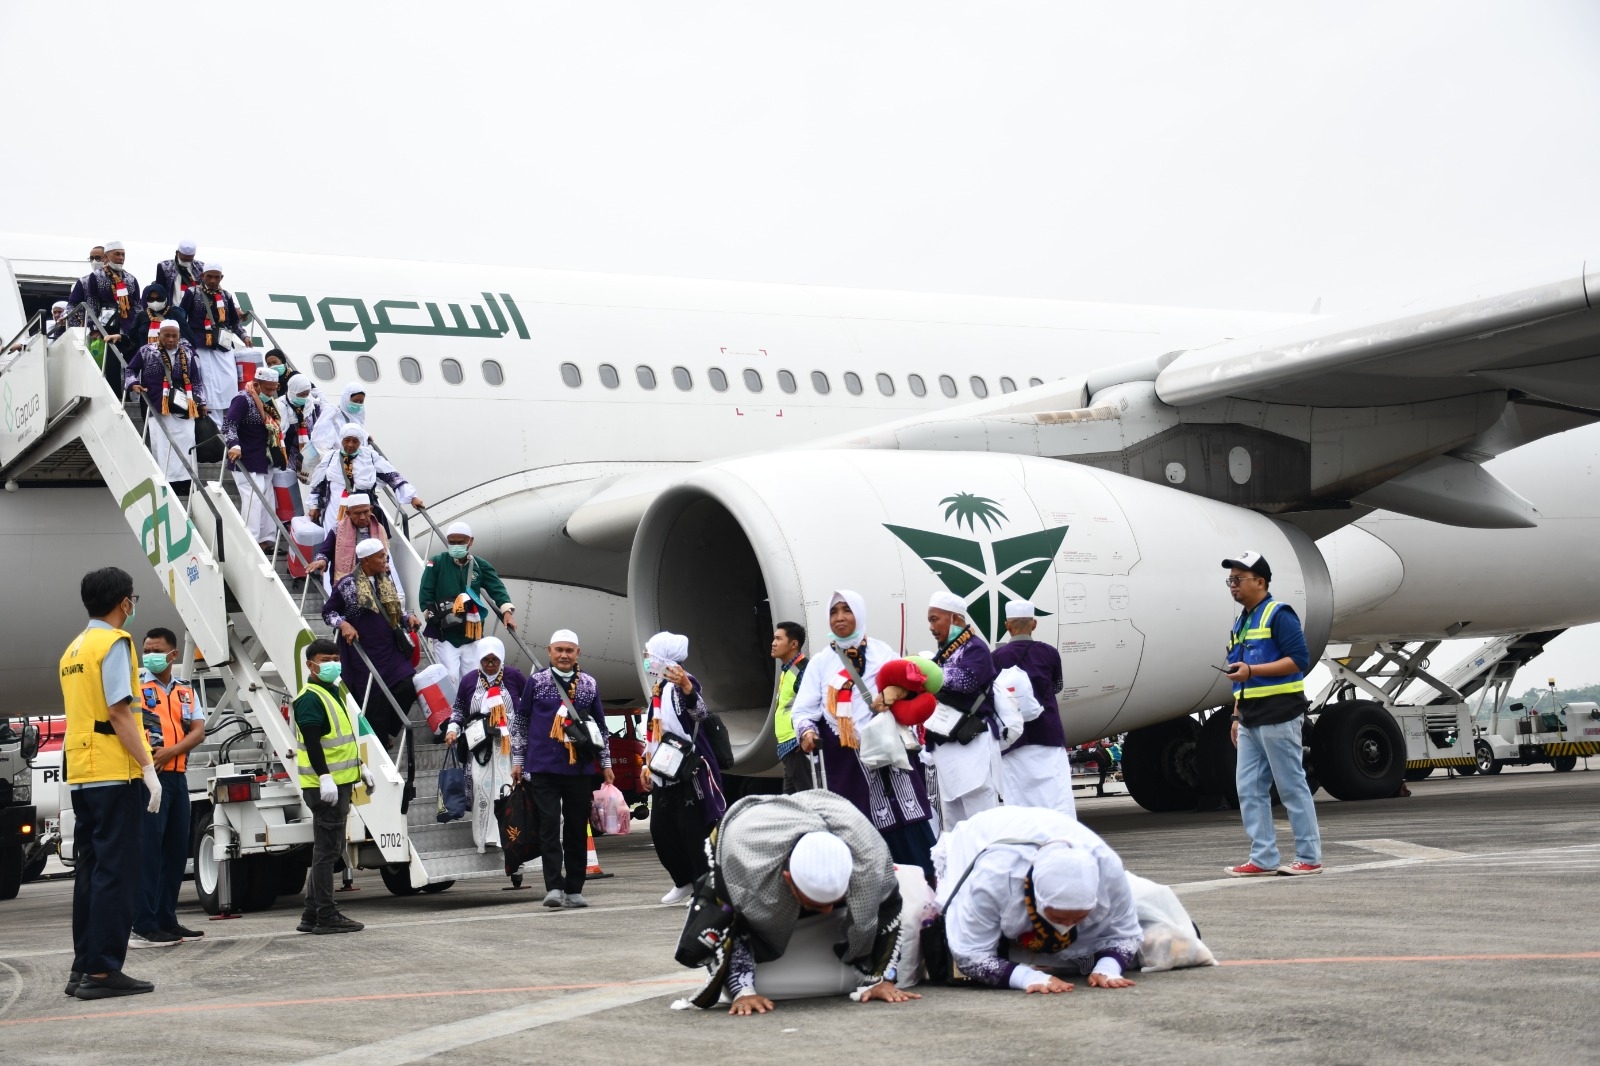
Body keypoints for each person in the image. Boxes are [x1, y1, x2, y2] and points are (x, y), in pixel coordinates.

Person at [686, 791, 925, 1015]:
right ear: (788, 879)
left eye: (834, 901)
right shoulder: (743, 865)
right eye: (817, 904)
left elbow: (888, 908)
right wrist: (743, 991)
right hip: (754, 831)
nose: (828, 911)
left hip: (835, 815)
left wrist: (883, 978)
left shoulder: (869, 858)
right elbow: (732, 924)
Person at [60, 567, 161, 1000]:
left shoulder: (74, 648)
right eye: (132, 598)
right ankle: (102, 972)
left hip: (83, 773)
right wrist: (148, 768)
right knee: (117, 874)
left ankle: (83, 966)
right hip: (114, 771)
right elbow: (120, 712)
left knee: (91, 872)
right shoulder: (115, 643)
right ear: (124, 602)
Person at [793, 590, 937, 881]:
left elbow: (914, 684)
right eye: (834, 612)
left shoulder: (883, 653)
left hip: (890, 756)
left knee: (907, 823)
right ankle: (873, 894)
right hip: (846, 762)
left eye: (847, 610)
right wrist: (807, 731)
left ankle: (923, 890)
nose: (840, 618)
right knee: (855, 828)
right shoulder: (820, 662)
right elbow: (804, 709)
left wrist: (893, 693)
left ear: (859, 614)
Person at [933, 806, 1142, 993]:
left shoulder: (1109, 871)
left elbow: (1126, 933)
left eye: (1079, 917)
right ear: (1038, 899)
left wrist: (1108, 968)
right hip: (983, 837)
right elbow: (970, 956)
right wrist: (1027, 977)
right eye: (1059, 917)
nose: (1068, 925)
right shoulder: (994, 878)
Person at [1220, 550, 1323, 877]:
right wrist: (1236, 715)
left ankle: (1309, 857)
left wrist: (1252, 671)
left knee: (1291, 786)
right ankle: (1263, 857)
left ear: (1261, 582)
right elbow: (1240, 672)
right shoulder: (1243, 620)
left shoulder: (1279, 614)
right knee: (1249, 789)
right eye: (1230, 580)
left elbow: (1299, 660)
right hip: (1249, 716)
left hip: (1279, 713)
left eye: (1239, 579)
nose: (1233, 585)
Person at [511, 629, 613, 909]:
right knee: (548, 826)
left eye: (569, 650)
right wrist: (518, 760)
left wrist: (605, 764)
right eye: (559, 650)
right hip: (543, 767)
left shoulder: (589, 684)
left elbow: (601, 727)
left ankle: (575, 888)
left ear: (578, 653)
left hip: (579, 769)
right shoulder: (537, 681)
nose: (564, 655)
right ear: (549, 651)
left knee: (577, 829)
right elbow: (521, 722)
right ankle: (554, 887)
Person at [130, 628, 205, 949]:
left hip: (177, 775)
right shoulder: (136, 684)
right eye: (146, 650)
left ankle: (166, 919)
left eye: (156, 650)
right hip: (150, 777)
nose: (150, 655)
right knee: (150, 852)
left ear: (173, 654)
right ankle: (143, 923)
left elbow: (198, 731)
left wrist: (172, 752)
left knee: (175, 851)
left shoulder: (185, 689)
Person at [640, 632, 727, 905]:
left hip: (689, 768)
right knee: (661, 830)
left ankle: (704, 887)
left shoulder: (683, 683)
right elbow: (653, 731)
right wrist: (646, 763)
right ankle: (683, 880)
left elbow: (700, 713)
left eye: (650, 653)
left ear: (664, 654)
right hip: (663, 768)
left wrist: (688, 687)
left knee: (694, 831)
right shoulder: (659, 687)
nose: (647, 659)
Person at [292, 638, 371, 935]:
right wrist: (324, 777)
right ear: (310, 665)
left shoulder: (332, 691)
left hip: (339, 783)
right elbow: (313, 743)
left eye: (336, 658)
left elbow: (337, 742)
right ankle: (326, 915)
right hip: (325, 787)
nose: (333, 664)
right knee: (328, 851)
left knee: (328, 848)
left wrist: (361, 768)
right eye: (326, 660)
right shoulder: (310, 698)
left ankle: (311, 914)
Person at [322, 539, 422, 750]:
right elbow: (328, 613)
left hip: (390, 650)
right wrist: (344, 624)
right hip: (364, 655)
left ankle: (388, 730)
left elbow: (394, 610)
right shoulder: (346, 584)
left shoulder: (385, 578)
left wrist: (408, 618)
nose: (385, 560)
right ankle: (380, 742)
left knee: (407, 686)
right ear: (366, 561)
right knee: (375, 701)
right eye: (380, 556)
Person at [922, 590, 1000, 830]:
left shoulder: (975, 648)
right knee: (954, 821)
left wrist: (924, 672)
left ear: (955, 618)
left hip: (970, 741)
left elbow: (966, 681)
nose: (931, 627)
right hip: (948, 745)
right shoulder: (944, 653)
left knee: (980, 817)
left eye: (935, 619)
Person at [992, 600, 1075, 816]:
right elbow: (1057, 686)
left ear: (1007, 626)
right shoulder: (1049, 653)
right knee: (1056, 794)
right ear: (1034, 624)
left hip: (1014, 738)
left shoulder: (996, 657)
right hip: (1048, 733)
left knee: (1019, 798)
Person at [444, 637, 526, 853]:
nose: (490, 664)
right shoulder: (469, 680)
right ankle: (484, 838)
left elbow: (527, 707)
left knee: (506, 789)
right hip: (479, 746)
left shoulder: (514, 676)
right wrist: (452, 729)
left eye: (494, 660)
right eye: (485, 660)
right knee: (481, 788)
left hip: (507, 747)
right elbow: (459, 709)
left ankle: (506, 836)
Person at [418, 522, 517, 692]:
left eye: (460, 542)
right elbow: (425, 591)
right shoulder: (437, 562)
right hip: (446, 634)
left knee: (472, 678)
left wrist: (507, 612)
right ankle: (454, 709)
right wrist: (431, 615)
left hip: (471, 633)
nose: (456, 546)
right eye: (452, 542)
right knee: (450, 677)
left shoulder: (479, 565)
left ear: (470, 541)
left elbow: (497, 588)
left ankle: (471, 708)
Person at [125, 321, 205, 500]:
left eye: (174, 336)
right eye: (167, 335)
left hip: (184, 407)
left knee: (187, 441)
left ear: (179, 336)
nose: (170, 339)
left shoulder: (188, 352)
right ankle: (168, 484)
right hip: (157, 407)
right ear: (159, 335)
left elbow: (196, 380)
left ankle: (187, 483)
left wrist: (202, 402)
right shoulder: (146, 351)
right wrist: (133, 384)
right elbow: (130, 370)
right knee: (162, 446)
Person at [307, 423, 424, 536]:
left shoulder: (370, 457)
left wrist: (412, 497)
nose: (350, 445)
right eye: (347, 440)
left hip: (362, 513)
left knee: (363, 542)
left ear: (361, 441)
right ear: (341, 440)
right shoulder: (331, 457)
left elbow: (391, 476)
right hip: (335, 510)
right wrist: (314, 506)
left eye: (355, 441)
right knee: (334, 540)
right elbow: (319, 484)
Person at [224, 365, 290, 553]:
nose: (271, 392)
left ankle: (266, 541)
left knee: (267, 500)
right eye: (268, 388)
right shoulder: (242, 399)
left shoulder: (269, 402)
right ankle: (250, 542)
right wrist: (234, 445)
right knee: (253, 500)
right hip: (246, 459)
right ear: (257, 383)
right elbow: (229, 425)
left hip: (265, 459)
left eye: (274, 389)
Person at [180, 262, 251, 411]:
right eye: (209, 276)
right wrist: (185, 339)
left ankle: (230, 409)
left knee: (229, 377)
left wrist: (244, 336)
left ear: (221, 278)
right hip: (200, 343)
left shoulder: (226, 295)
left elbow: (234, 322)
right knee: (207, 379)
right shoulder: (192, 292)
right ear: (202, 276)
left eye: (216, 277)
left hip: (223, 343)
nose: (213, 280)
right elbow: (181, 317)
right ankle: (208, 412)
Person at [307, 492, 397, 595]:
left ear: (371, 510)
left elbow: (384, 556)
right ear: (348, 513)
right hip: (347, 586)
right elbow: (325, 551)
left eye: (365, 512)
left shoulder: (379, 528)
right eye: (357, 513)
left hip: (376, 584)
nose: (362, 517)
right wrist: (322, 560)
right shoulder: (338, 529)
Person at [769, 622, 810, 795]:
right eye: (774, 638)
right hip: (788, 746)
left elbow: (812, 706)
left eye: (779, 639)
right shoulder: (787, 670)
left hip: (797, 745)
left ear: (794, 644)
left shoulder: (803, 670)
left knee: (806, 799)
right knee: (791, 801)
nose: (773, 643)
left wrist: (804, 734)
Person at [125, 283, 190, 353]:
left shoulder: (175, 315)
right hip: (146, 355)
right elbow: (130, 336)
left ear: (165, 298)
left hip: (171, 356)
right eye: (151, 299)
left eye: (159, 299)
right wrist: (120, 337)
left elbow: (188, 338)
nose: (155, 302)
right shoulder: (142, 316)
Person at [310, 383, 369, 457]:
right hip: (335, 458)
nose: (358, 404)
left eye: (361, 401)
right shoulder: (334, 414)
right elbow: (322, 440)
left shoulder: (357, 417)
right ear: (346, 399)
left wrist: (366, 435)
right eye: (355, 401)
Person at [152, 239, 204, 305]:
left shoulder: (201, 267)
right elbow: (160, 290)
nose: (186, 262)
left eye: (189, 260)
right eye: (183, 259)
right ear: (177, 253)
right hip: (172, 307)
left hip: (193, 308)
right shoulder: (164, 266)